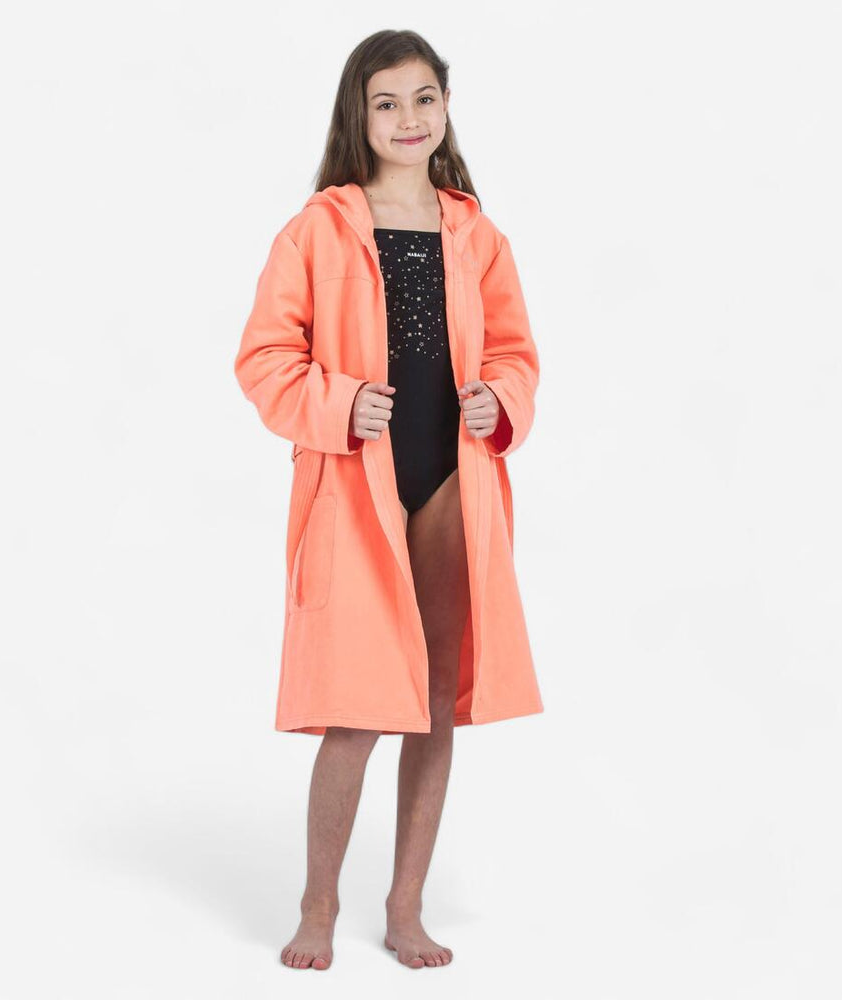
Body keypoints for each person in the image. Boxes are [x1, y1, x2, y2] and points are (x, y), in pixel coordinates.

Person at [234, 29, 542, 971]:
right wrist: (335, 403)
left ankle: (405, 905)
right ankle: (318, 903)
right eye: (386, 103)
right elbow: (263, 358)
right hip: (357, 486)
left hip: (450, 480)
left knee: (436, 702)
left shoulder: (478, 236)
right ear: (358, 117)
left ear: (445, 107)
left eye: (423, 99)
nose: (407, 119)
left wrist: (501, 401)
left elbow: (515, 354)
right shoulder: (318, 229)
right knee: (359, 708)